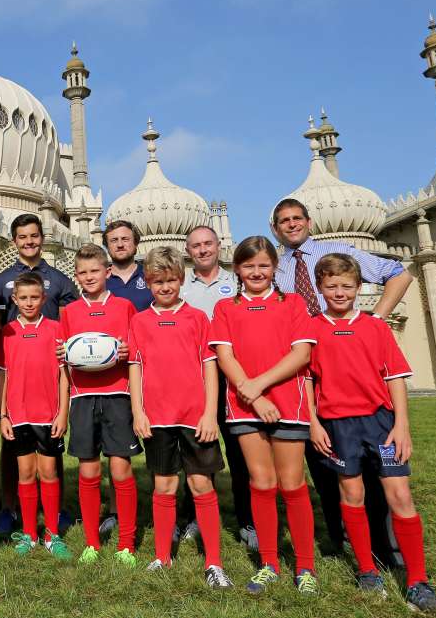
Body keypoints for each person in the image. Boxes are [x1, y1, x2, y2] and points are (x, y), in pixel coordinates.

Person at [272, 197, 410, 562]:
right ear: (275, 229)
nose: (291, 225)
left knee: (376, 472)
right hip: (310, 366)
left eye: (297, 218)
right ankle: (341, 538)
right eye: (283, 221)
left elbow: (399, 274)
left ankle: (383, 541)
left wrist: (375, 319)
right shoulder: (275, 269)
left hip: (355, 373)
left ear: (309, 222)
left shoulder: (337, 251)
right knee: (324, 462)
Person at [308, 254, 436, 612]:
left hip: (380, 424)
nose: (339, 292)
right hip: (337, 425)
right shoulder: (312, 329)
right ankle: (367, 570)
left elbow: (394, 377)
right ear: (320, 288)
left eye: (346, 286)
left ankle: (417, 579)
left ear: (359, 288)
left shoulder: (375, 327)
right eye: (332, 286)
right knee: (352, 493)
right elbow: (306, 380)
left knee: (399, 495)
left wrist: (401, 426)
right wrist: (314, 423)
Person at [210, 236, 319, 596]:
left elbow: (301, 354)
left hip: (288, 404)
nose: (256, 272)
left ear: (274, 267)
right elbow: (226, 358)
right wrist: (254, 398)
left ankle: (304, 566)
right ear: (237, 269)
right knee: (261, 482)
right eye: (248, 266)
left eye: (263, 265)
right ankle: (269, 563)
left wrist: (258, 386)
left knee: (292, 483)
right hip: (244, 407)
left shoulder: (294, 304)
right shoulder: (226, 308)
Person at [127, 247, 231, 587]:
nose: (165, 287)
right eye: (158, 282)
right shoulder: (139, 321)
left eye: (171, 280)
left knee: (200, 484)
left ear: (181, 279)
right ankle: (162, 556)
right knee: (164, 485)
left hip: (194, 417)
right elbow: (136, 368)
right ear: (148, 283)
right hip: (157, 418)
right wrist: (138, 411)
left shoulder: (198, 318)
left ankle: (214, 563)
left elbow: (209, 366)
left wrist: (210, 414)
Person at [0, 213, 79, 534]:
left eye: (34, 236)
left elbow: (68, 325)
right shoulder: (1, 282)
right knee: (11, 447)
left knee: (52, 452)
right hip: (15, 377)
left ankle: (56, 511)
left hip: (48, 377)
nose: (29, 242)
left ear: (42, 237)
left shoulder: (59, 280)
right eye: (23, 237)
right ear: (14, 241)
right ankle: (10, 507)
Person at [60, 244, 139, 566]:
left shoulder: (124, 307)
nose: (89, 277)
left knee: (120, 470)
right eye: (83, 272)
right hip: (82, 397)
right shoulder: (69, 312)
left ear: (107, 272)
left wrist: (126, 352)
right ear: (76, 276)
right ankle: (92, 541)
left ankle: (126, 544)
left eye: (95, 271)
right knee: (89, 470)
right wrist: (63, 357)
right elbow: (64, 360)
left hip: (118, 394)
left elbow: (135, 351)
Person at [180, 225, 255, 551]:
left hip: (234, 376)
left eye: (208, 243)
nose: (203, 250)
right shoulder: (181, 286)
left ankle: (247, 520)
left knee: (240, 453)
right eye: (196, 246)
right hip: (196, 380)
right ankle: (192, 517)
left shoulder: (235, 283)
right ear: (189, 251)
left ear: (218, 245)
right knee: (195, 454)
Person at [0, 272, 72, 560]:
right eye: (23, 298)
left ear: (43, 298)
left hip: (48, 414)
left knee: (49, 473)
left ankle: (52, 534)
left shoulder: (56, 329)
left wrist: (62, 413)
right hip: (19, 415)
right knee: (26, 474)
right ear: (14, 300)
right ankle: (29, 534)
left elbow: (64, 376)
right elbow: (3, 376)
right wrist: (3, 415)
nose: (29, 303)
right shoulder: (8, 332)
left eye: (34, 297)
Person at [103, 219, 153, 310]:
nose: (120, 245)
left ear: (135, 244)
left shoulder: (152, 276)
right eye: (114, 240)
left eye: (125, 239)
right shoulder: (99, 281)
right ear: (107, 247)